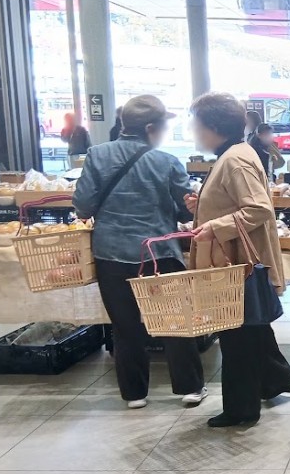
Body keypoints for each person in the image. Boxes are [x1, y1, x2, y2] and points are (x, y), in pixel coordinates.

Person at [73, 95, 206, 410]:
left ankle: (135, 394)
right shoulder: (166, 162)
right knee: (175, 320)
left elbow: (83, 205)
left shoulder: (96, 155)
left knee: (125, 326)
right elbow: (188, 212)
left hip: (111, 254)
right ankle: (189, 388)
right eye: (163, 126)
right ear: (150, 128)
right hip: (158, 254)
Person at [188, 92, 290, 428]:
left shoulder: (234, 159)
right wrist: (203, 208)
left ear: (214, 127)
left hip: (236, 265)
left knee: (236, 337)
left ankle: (241, 409)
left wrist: (214, 225)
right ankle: (275, 381)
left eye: (197, 126)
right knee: (250, 330)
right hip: (238, 262)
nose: (194, 132)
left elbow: (258, 208)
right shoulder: (235, 154)